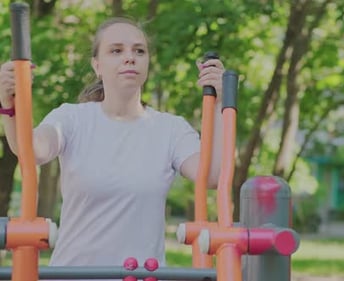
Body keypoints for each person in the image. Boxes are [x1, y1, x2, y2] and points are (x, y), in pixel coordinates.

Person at [0, 17, 225, 275]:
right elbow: (31, 150)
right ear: (97, 65)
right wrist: (9, 105)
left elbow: (212, 175)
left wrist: (219, 102)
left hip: (140, 276)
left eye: (139, 51)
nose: (129, 57)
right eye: (116, 50)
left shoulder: (170, 129)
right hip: (74, 276)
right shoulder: (72, 118)